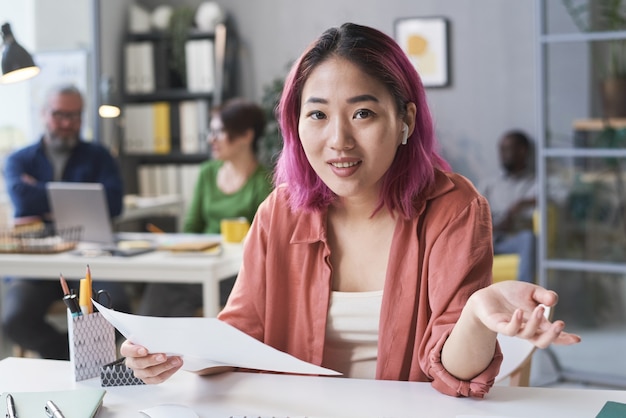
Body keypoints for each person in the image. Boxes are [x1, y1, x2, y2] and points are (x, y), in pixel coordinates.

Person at [122, 23, 580, 398]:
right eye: (317, 115)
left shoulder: (453, 209)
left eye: (363, 114)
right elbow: (241, 336)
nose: (338, 140)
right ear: (295, 124)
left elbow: (453, 374)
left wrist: (477, 313)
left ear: (405, 120)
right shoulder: (279, 212)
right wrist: (176, 355)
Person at [2, 83, 131, 360]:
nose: (67, 123)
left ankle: (85, 357)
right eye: (59, 114)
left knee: (118, 305)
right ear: (44, 114)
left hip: (89, 257)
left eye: (75, 116)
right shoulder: (18, 159)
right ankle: (71, 356)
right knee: (14, 317)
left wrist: (40, 191)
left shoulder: (100, 156)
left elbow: (114, 203)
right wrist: (80, 198)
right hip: (36, 263)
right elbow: (22, 199)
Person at [138, 98, 273, 317]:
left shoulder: (263, 181)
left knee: (169, 294)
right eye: (211, 132)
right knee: (162, 286)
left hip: (238, 270)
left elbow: (267, 239)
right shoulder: (207, 172)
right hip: (202, 263)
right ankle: (156, 348)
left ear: (246, 136)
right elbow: (192, 226)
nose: (211, 139)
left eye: (219, 132)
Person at [478, 130, 537, 283]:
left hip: (512, 240)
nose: (503, 154)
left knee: (529, 238)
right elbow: (473, 214)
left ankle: (523, 291)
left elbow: (557, 198)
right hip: (488, 239)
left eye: (507, 149)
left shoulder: (534, 182)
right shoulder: (489, 184)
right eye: (501, 149)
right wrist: (493, 228)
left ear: (522, 150)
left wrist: (522, 205)